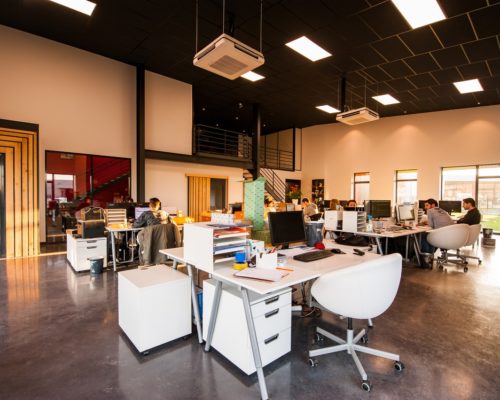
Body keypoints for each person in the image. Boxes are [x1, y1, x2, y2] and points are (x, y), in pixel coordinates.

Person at [419, 198, 454, 266]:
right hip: (450, 236)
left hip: (441, 236)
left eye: (427, 205)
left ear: (433, 205)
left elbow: (431, 226)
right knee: (430, 235)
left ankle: (426, 258)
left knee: (424, 235)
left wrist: (423, 224)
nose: (425, 207)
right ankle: (430, 256)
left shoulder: (430, 211)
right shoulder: (443, 210)